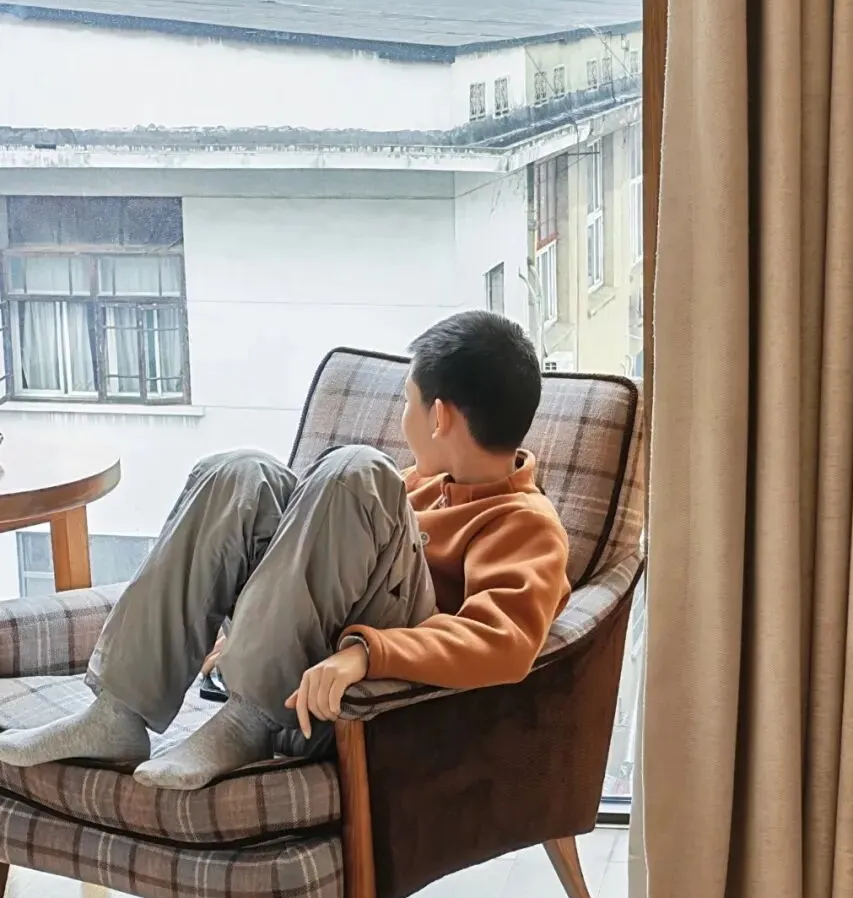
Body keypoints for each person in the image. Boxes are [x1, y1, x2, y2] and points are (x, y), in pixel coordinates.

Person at [0, 312, 570, 790]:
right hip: (305, 662)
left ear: (439, 415)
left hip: (358, 699)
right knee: (241, 473)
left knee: (358, 471)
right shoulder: (421, 484)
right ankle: (119, 712)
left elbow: (503, 642)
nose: (403, 419)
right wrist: (242, 631)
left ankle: (249, 719)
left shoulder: (525, 523)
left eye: (408, 402)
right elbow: (312, 559)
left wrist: (365, 655)